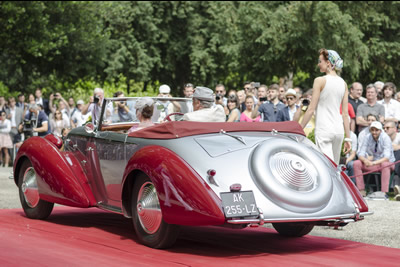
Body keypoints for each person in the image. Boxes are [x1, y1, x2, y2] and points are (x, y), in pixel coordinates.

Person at [300, 49, 351, 165]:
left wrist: (299, 128)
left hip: (324, 129)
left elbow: (311, 108)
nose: (318, 64)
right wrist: (348, 138)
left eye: (320, 61)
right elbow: (345, 114)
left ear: (328, 63)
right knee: (334, 168)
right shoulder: (343, 83)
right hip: (338, 131)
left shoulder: (319, 80)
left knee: (326, 167)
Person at [353, 121, 395, 196]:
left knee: (385, 164)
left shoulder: (385, 138)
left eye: (376, 130)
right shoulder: (367, 137)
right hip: (374, 162)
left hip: (387, 164)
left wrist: (373, 163)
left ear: (380, 130)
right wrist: (365, 160)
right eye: (372, 130)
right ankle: (361, 190)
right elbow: (360, 153)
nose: (374, 132)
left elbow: (387, 157)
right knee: (357, 163)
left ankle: (384, 192)